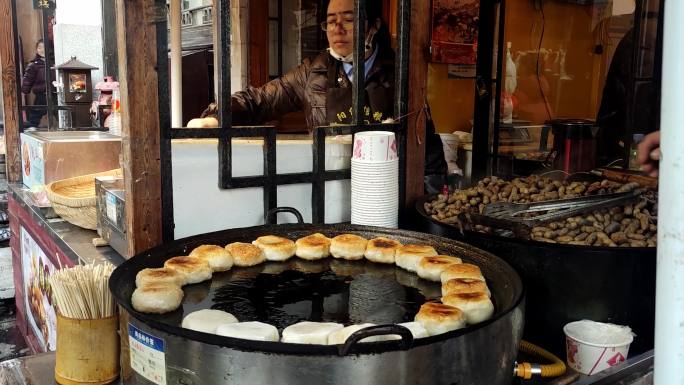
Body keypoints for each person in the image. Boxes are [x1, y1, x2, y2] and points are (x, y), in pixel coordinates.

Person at [189, 0, 446, 188]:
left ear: (374, 25)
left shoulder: (401, 76)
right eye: (331, 21)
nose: (337, 29)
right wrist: (216, 117)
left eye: (348, 19)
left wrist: (428, 198)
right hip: (329, 187)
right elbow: (260, 100)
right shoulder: (313, 72)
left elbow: (427, 152)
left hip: (383, 193)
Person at [21, 39, 47, 128]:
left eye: (44, 47)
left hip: (54, 93)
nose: (42, 50)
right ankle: (32, 126)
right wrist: (25, 90)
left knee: (57, 111)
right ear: (36, 49)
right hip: (41, 94)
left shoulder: (54, 62)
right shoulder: (34, 64)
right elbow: (28, 79)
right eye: (39, 47)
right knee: (36, 112)